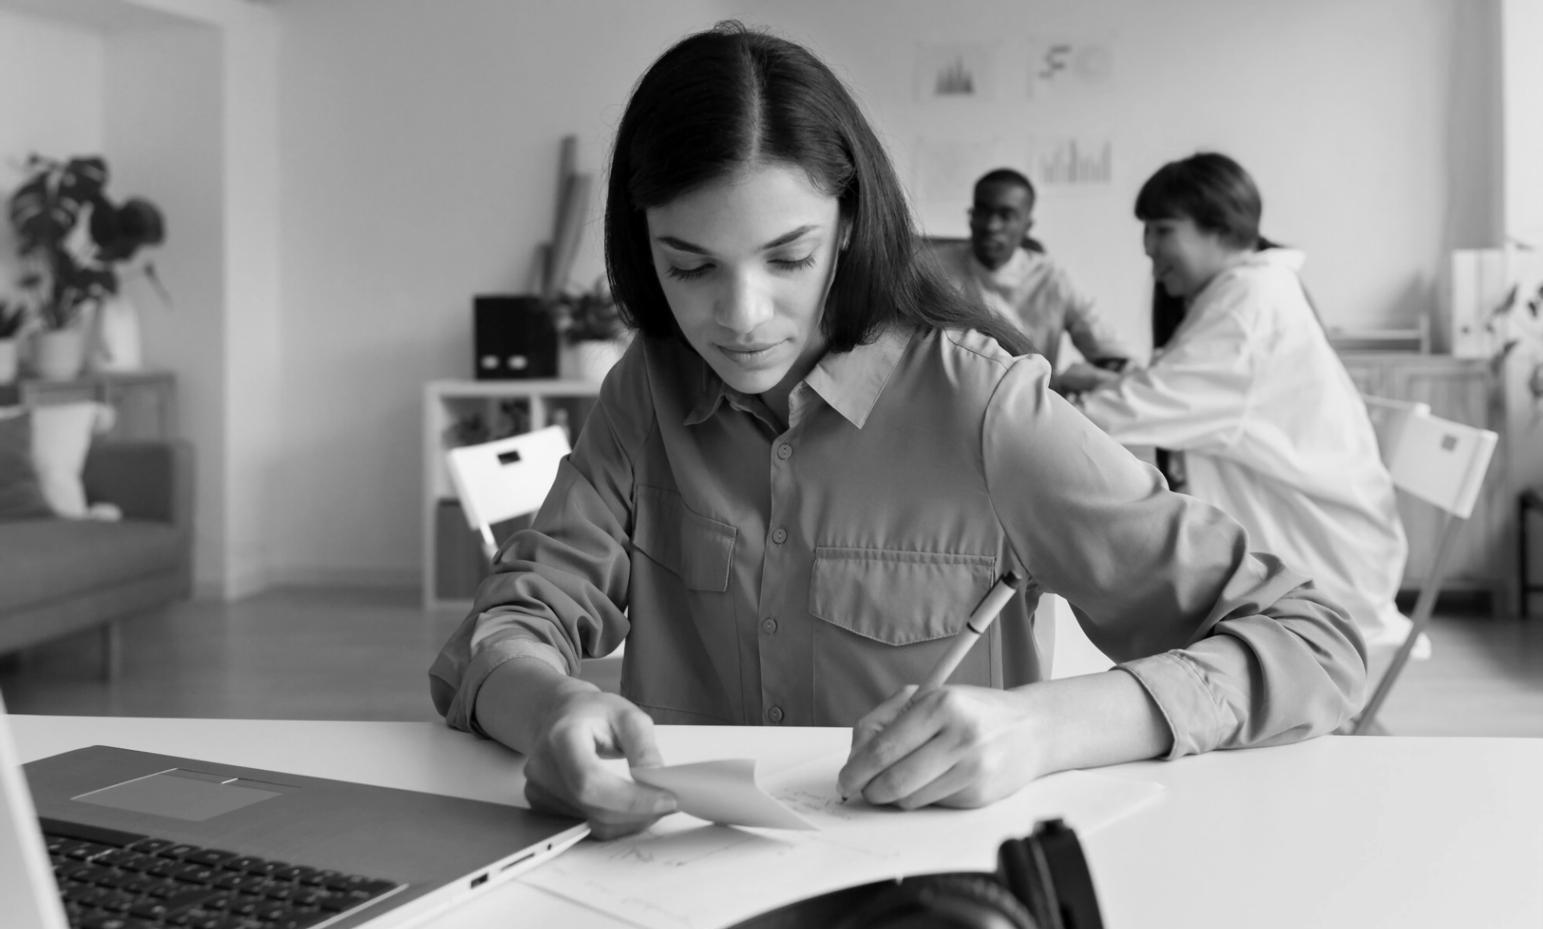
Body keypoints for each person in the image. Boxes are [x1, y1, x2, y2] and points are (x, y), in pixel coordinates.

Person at [428, 24, 1366, 840]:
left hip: (927, 907)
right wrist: (548, 709)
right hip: (663, 885)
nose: (741, 317)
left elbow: (1315, 641)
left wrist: (1042, 729)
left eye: (787, 257)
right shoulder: (647, 389)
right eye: (691, 267)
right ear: (644, 249)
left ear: (846, 227)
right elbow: (506, 626)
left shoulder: (983, 406)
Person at [1073, 151, 1410, 652]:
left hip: (1322, 568)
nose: (1147, 247)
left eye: (1162, 229)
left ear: (1220, 228)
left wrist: (1028, 406)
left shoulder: (1246, 308)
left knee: (1096, 561)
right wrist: (1105, 382)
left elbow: (1133, 411)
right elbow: (1181, 389)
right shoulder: (1253, 289)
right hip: (1330, 541)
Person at [933, 168, 1131, 393]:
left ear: (1026, 226)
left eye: (1005, 216)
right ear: (971, 216)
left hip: (1032, 399)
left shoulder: (1050, 278)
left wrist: (1078, 380)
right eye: (982, 212)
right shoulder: (932, 269)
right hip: (953, 395)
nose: (991, 226)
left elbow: (1109, 352)